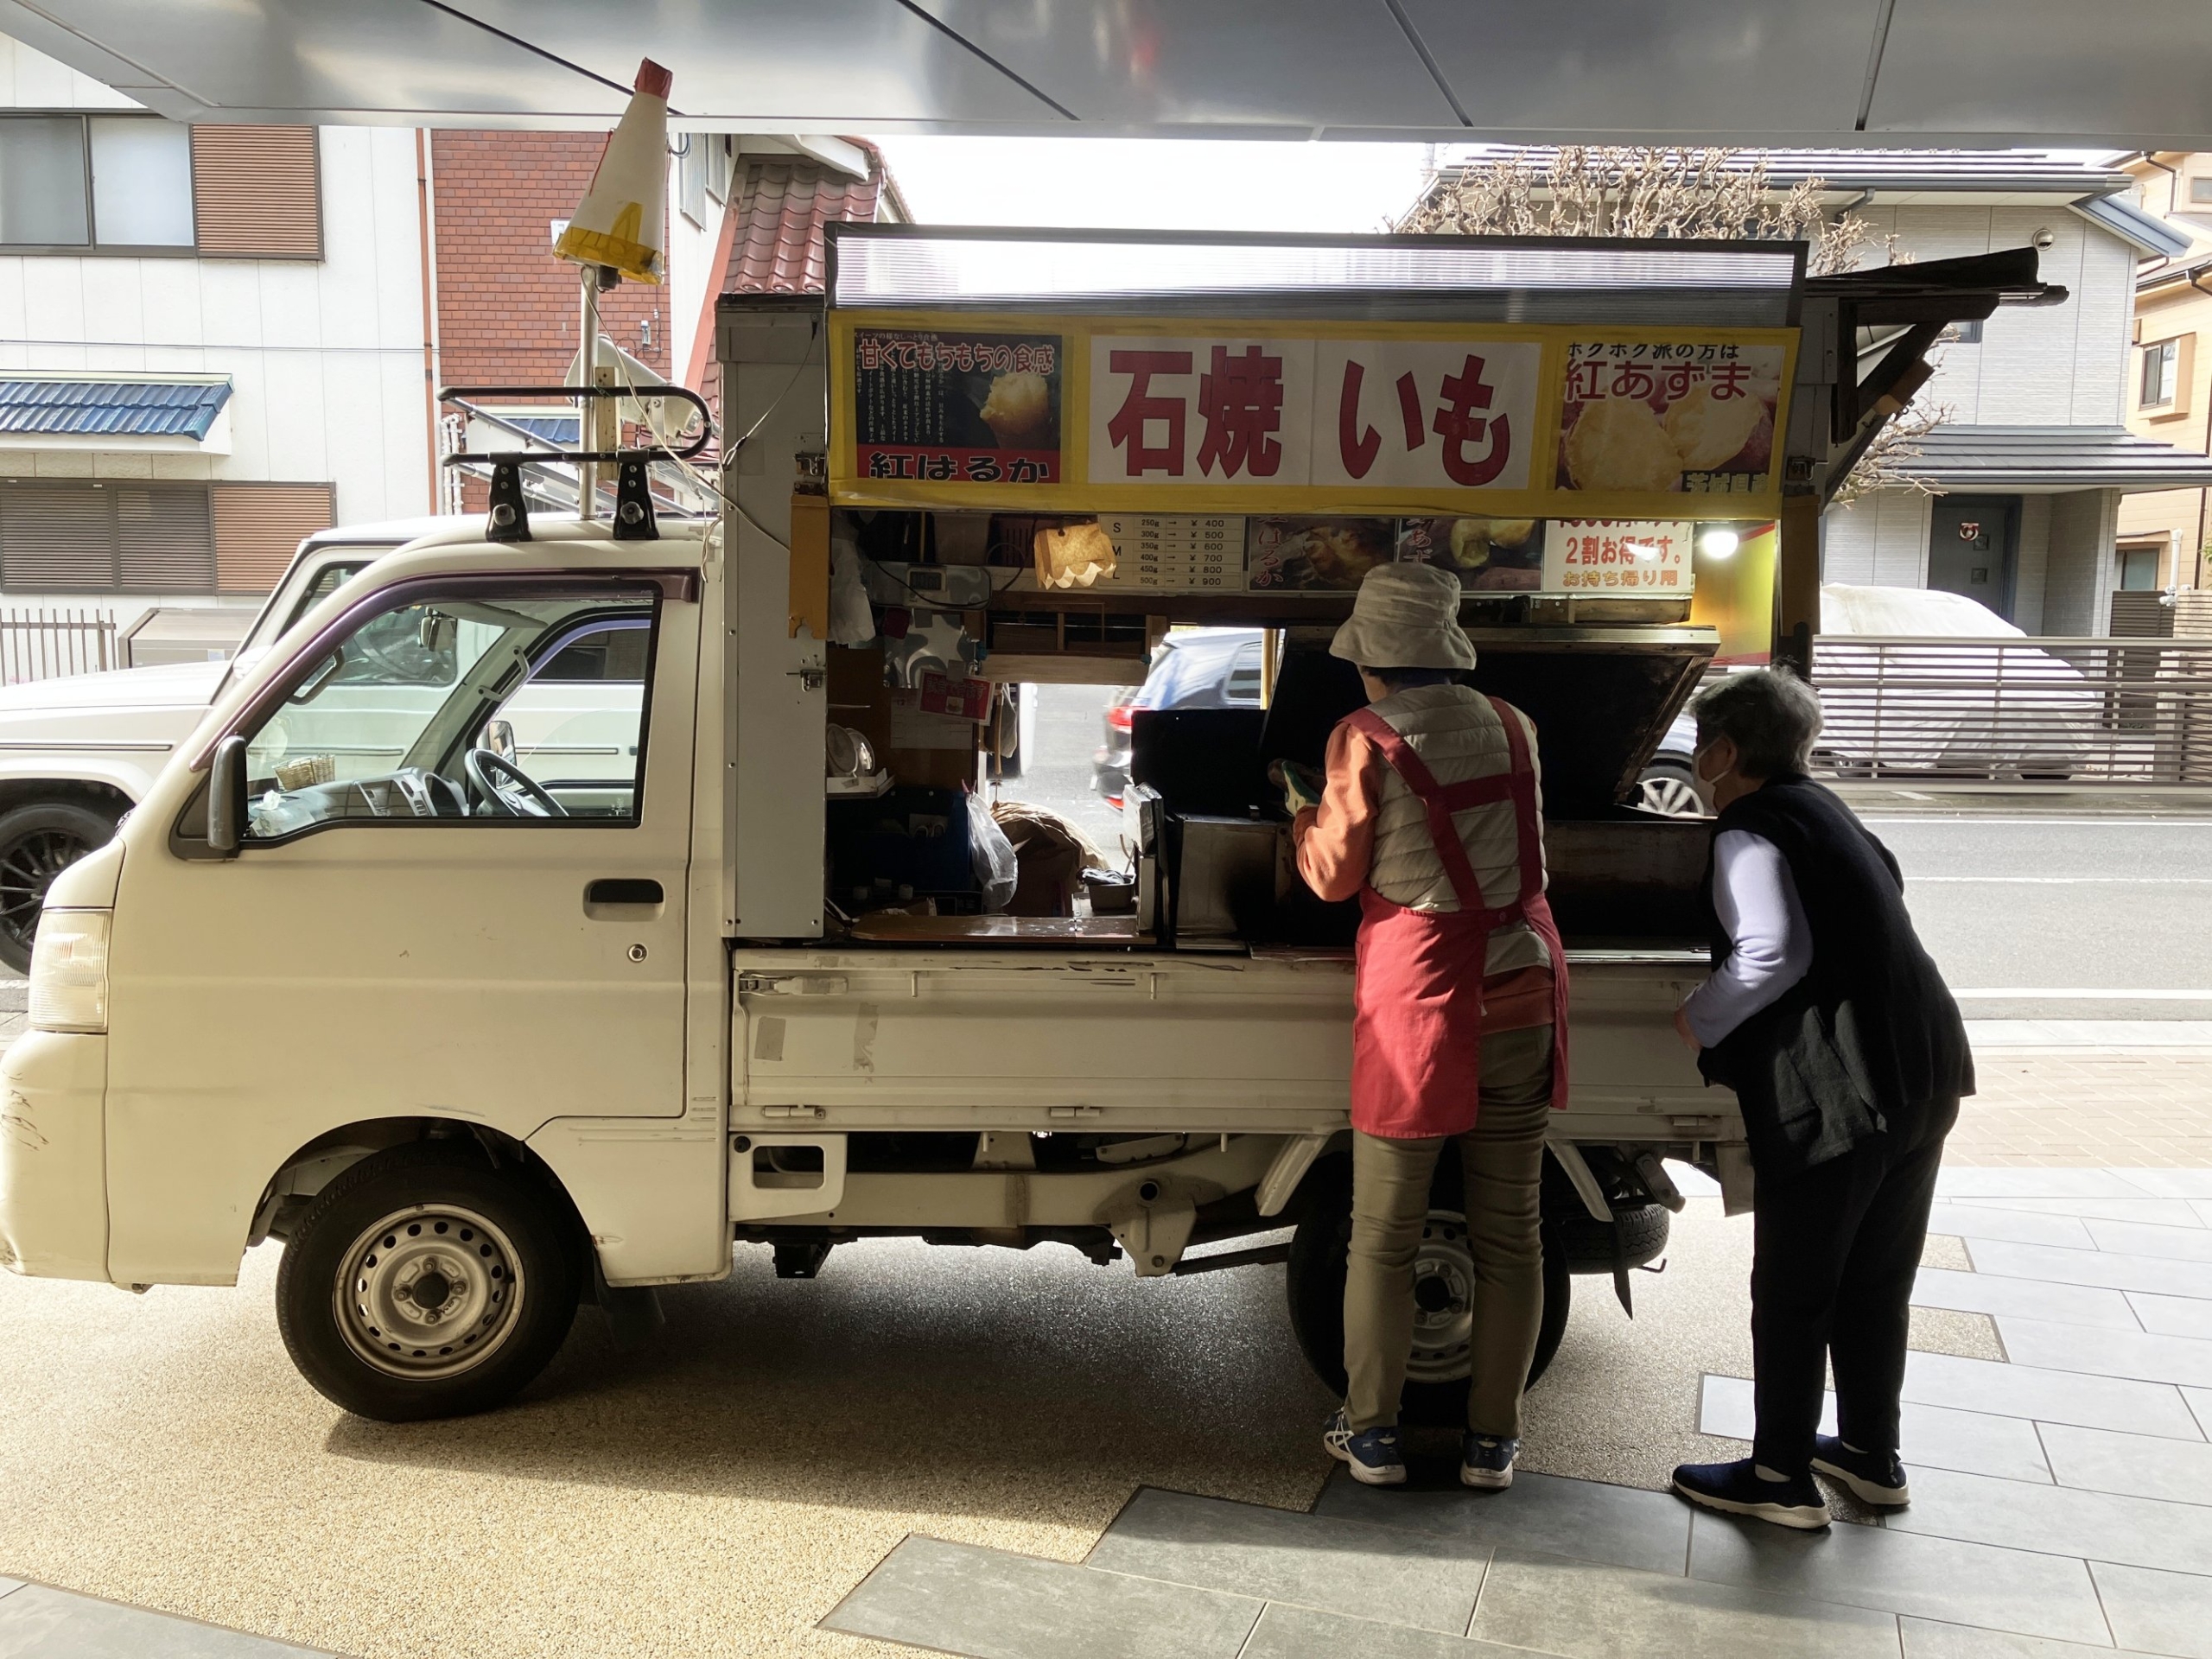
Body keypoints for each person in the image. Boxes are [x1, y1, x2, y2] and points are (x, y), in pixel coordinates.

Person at [1280, 562, 1568, 1491]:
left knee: (1385, 1235)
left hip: (1422, 1007)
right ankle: (1493, 1442)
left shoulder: (1362, 738)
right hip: (1521, 986)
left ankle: (1372, 1436)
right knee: (1510, 1231)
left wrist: (1301, 818)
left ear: (1372, 663)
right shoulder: (1514, 724)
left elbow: (1332, 877)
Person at [1669, 668, 1972, 1529]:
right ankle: (1872, 1457)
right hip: (1924, 1066)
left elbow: (1771, 954)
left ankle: (1778, 1477)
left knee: (1796, 1286)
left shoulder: (1749, 830)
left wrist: (1699, 1017)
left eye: (1702, 748)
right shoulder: (1831, 811)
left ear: (1726, 752)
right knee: (1876, 1278)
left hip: (1839, 1090)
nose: (1699, 764)